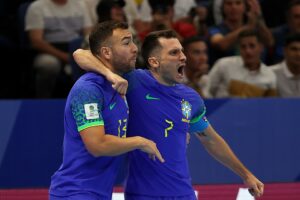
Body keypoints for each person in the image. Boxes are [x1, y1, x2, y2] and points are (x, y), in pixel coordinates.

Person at [73, 29, 264, 199]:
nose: (183, 57)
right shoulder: (134, 81)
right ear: (154, 62)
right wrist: (109, 74)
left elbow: (211, 140)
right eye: (174, 53)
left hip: (184, 193)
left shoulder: (191, 98)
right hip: (142, 194)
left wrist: (246, 174)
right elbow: (80, 54)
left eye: (181, 51)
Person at [49, 21, 164, 200]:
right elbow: (97, 145)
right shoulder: (88, 90)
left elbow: (81, 54)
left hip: (99, 193)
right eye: (126, 43)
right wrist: (140, 142)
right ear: (106, 52)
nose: (134, 48)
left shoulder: (124, 81)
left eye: (133, 41)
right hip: (75, 193)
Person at [25, 0, 93, 98]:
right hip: (49, 51)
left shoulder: (80, 4)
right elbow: (36, 41)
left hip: (76, 49)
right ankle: (43, 99)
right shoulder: (37, 7)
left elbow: (88, 35)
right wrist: (66, 57)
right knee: (48, 64)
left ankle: (87, 99)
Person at [207, 29, 277, 98]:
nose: (247, 51)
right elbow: (207, 89)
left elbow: (270, 106)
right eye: (243, 47)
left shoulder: (269, 75)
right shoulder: (223, 64)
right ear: (239, 49)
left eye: (252, 46)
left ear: (261, 48)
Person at [208, 0, 273, 66]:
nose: (233, 7)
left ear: (245, 7)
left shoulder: (254, 26)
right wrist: (247, 27)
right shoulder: (215, 29)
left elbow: (270, 42)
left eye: (238, 3)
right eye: (229, 4)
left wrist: (258, 17)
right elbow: (221, 44)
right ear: (223, 8)